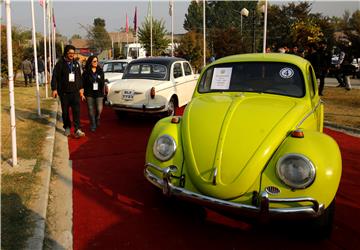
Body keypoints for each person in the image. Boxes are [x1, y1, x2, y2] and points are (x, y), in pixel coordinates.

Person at [51, 44, 86, 138]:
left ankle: (77, 129)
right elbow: (55, 77)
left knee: (76, 111)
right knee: (65, 112)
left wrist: (81, 89)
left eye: (73, 53)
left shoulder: (76, 64)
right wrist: (54, 89)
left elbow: (79, 77)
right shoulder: (60, 64)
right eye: (70, 53)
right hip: (64, 93)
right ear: (66, 53)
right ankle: (67, 127)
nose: (72, 55)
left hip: (75, 93)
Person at [82, 56, 105, 132]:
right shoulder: (86, 72)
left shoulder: (100, 71)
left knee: (99, 109)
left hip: (99, 93)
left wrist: (104, 90)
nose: (96, 63)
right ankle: (93, 124)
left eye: (96, 61)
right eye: (94, 61)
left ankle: (97, 117)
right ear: (90, 62)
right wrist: (82, 93)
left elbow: (102, 82)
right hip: (89, 93)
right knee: (91, 110)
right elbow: (82, 83)